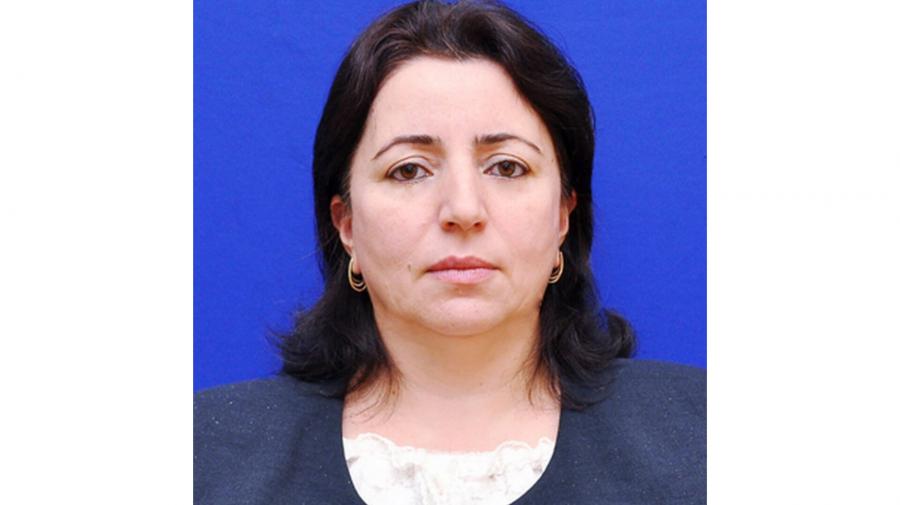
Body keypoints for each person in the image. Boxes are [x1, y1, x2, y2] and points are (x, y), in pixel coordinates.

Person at [194, 1, 705, 504]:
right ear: (346, 225)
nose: (463, 209)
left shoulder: (704, 437)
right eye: (409, 170)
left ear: (562, 217)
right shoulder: (203, 454)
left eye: (506, 167)